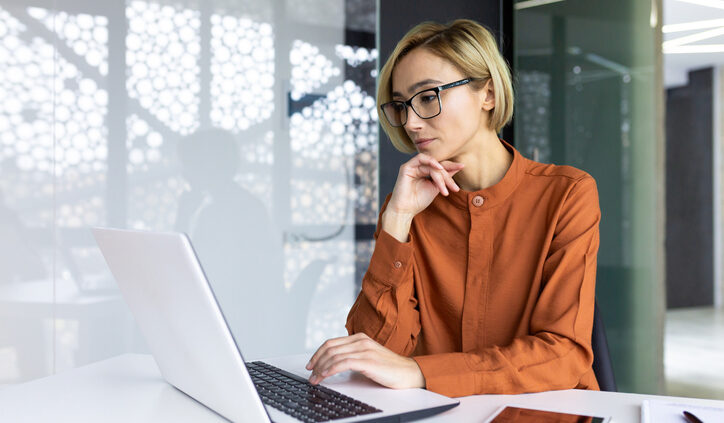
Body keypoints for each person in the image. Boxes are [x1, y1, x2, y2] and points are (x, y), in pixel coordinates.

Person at [305, 19, 601, 397]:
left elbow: (563, 354)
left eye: (427, 97)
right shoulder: (407, 208)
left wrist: (420, 372)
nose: (411, 122)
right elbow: (376, 351)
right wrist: (397, 219)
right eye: (401, 106)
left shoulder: (566, 195)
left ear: (488, 94)